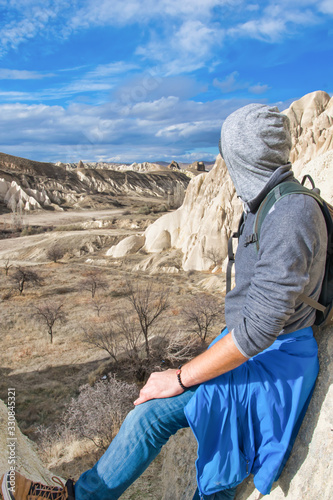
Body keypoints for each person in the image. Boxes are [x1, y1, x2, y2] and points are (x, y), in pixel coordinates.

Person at [1, 104, 327, 500]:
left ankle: (75, 498)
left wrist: (179, 376)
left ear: (244, 155)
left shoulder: (290, 213)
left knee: (158, 420)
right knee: (169, 429)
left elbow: (259, 329)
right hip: (257, 350)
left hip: (275, 361)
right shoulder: (270, 203)